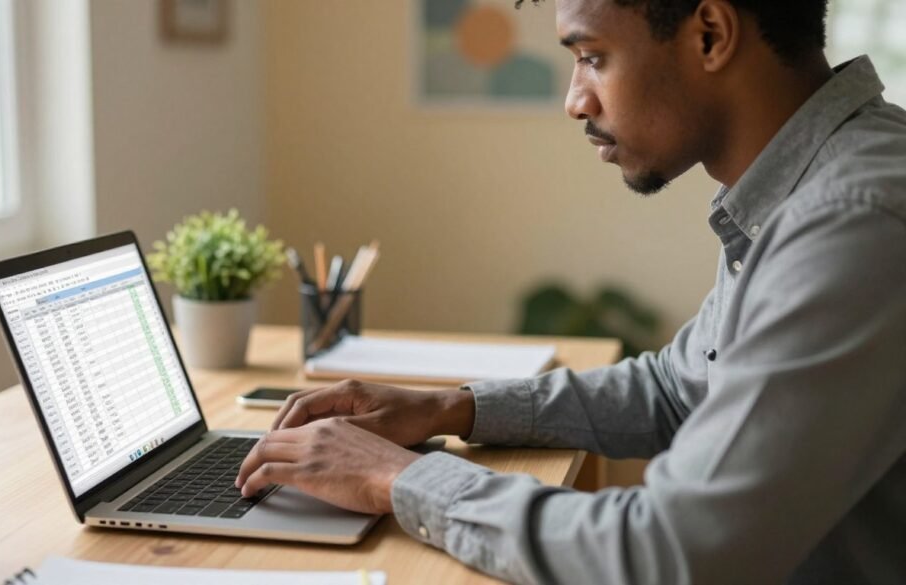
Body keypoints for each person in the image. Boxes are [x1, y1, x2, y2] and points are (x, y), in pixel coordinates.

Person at [237, 0, 906, 582]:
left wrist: (396, 477)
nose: (575, 99)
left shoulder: (852, 220)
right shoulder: (811, 187)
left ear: (709, 33)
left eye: (592, 56)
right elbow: (679, 386)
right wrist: (450, 409)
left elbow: (668, 553)